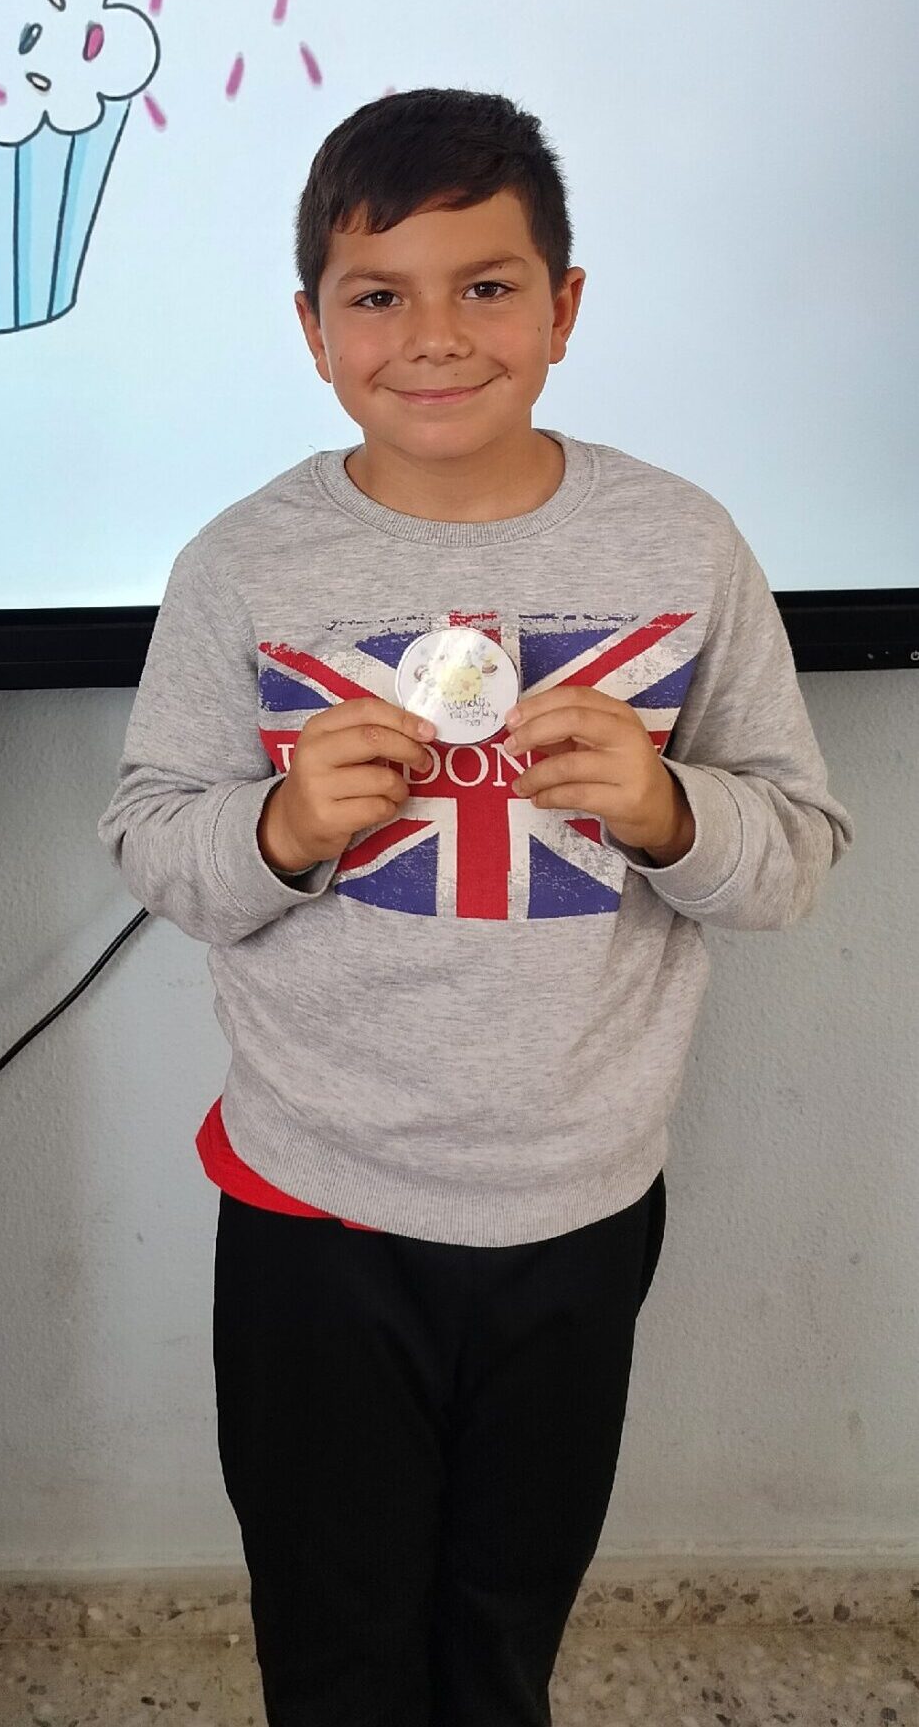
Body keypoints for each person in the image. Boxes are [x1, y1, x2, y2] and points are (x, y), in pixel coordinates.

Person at [99, 88, 850, 1726]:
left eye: (487, 285)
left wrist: (663, 807)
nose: (433, 335)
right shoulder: (242, 562)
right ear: (311, 328)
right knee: (335, 1642)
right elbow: (152, 845)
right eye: (377, 294)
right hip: (315, 1204)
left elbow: (793, 850)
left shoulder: (680, 542)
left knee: (502, 1632)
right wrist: (281, 826)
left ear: (563, 307)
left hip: (577, 1205)